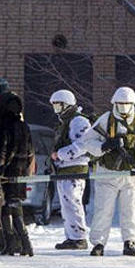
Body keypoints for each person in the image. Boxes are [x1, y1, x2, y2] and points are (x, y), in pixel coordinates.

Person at [79, 86, 135, 257]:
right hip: (107, 173)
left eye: (127, 104)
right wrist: (103, 146)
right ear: (115, 104)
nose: (124, 107)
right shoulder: (106, 120)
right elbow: (87, 141)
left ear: (133, 104)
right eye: (120, 103)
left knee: (131, 210)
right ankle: (98, 243)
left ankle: (130, 242)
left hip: (131, 175)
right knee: (103, 210)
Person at [0, 77, 35, 258]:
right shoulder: (15, 117)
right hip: (16, 169)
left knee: (9, 205)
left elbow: (4, 147)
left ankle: (20, 243)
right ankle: (16, 243)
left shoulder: (6, 119)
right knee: (9, 206)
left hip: (8, 171)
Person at [49, 89, 91, 250]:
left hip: (75, 168)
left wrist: (60, 154)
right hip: (65, 169)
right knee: (66, 204)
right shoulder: (66, 122)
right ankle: (72, 236)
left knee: (73, 202)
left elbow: (82, 145)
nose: (55, 109)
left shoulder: (79, 122)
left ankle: (79, 237)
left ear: (66, 104)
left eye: (57, 105)